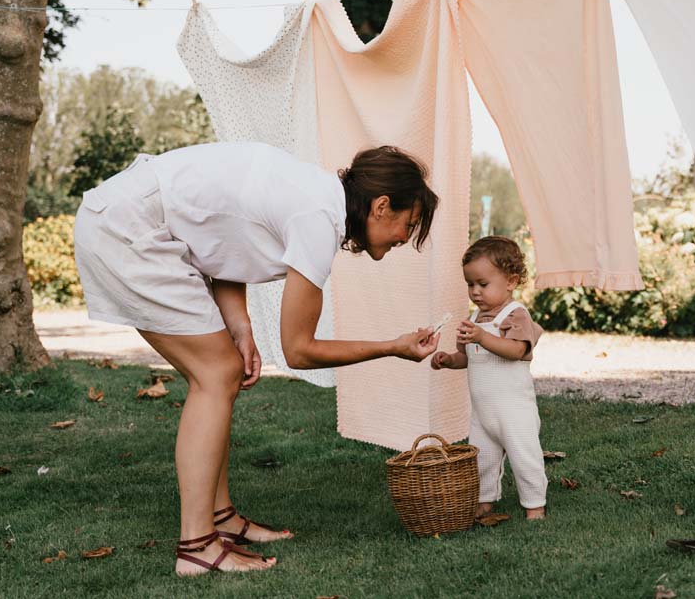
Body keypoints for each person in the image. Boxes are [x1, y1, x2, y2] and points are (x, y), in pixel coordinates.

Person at [73, 141, 441, 576]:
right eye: (408, 223)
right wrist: (392, 347)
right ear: (382, 206)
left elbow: (219, 239)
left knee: (222, 370)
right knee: (216, 373)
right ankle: (196, 547)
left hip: (129, 218)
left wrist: (241, 325)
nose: (404, 237)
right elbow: (299, 351)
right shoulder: (318, 217)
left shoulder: (316, 196)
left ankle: (221, 519)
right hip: (128, 229)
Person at [431, 236, 548, 520]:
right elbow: (468, 357)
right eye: (470, 284)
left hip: (513, 410)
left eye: (483, 284)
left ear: (510, 281)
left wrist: (483, 337)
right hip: (483, 412)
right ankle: (484, 500)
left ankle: (535, 505)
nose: (475, 292)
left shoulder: (515, 315)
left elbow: (516, 350)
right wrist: (449, 360)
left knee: (525, 456)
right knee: (482, 458)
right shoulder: (475, 318)